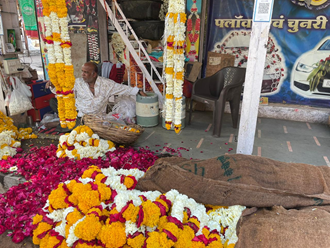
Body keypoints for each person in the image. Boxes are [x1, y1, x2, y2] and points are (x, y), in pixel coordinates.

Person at [46, 61, 146, 131]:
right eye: (82, 71)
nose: (82, 74)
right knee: (54, 102)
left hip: (97, 118)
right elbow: (64, 90)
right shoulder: (77, 82)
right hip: (79, 114)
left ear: (94, 74)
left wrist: (138, 91)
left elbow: (122, 88)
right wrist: (54, 85)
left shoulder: (106, 84)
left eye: (86, 72)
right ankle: (70, 124)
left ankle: (60, 125)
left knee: (77, 128)